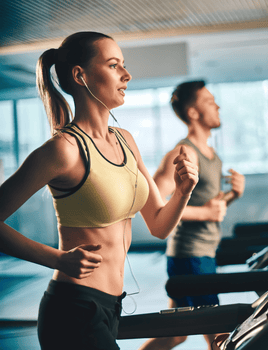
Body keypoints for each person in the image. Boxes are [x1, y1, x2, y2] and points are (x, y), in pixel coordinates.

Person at [0, 32, 198, 350]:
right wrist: (58, 259)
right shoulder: (63, 150)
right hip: (73, 309)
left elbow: (159, 225)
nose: (126, 74)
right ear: (81, 75)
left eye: (123, 65)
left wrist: (183, 191)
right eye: (114, 65)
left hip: (112, 305)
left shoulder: (125, 140)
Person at [139, 81, 245, 350]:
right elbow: (155, 202)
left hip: (201, 254)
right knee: (220, 336)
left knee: (176, 334)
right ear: (193, 112)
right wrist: (204, 212)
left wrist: (232, 196)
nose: (217, 105)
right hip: (190, 256)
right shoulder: (183, 153)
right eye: (209, 101)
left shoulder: (212, 155)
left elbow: (211, 209)